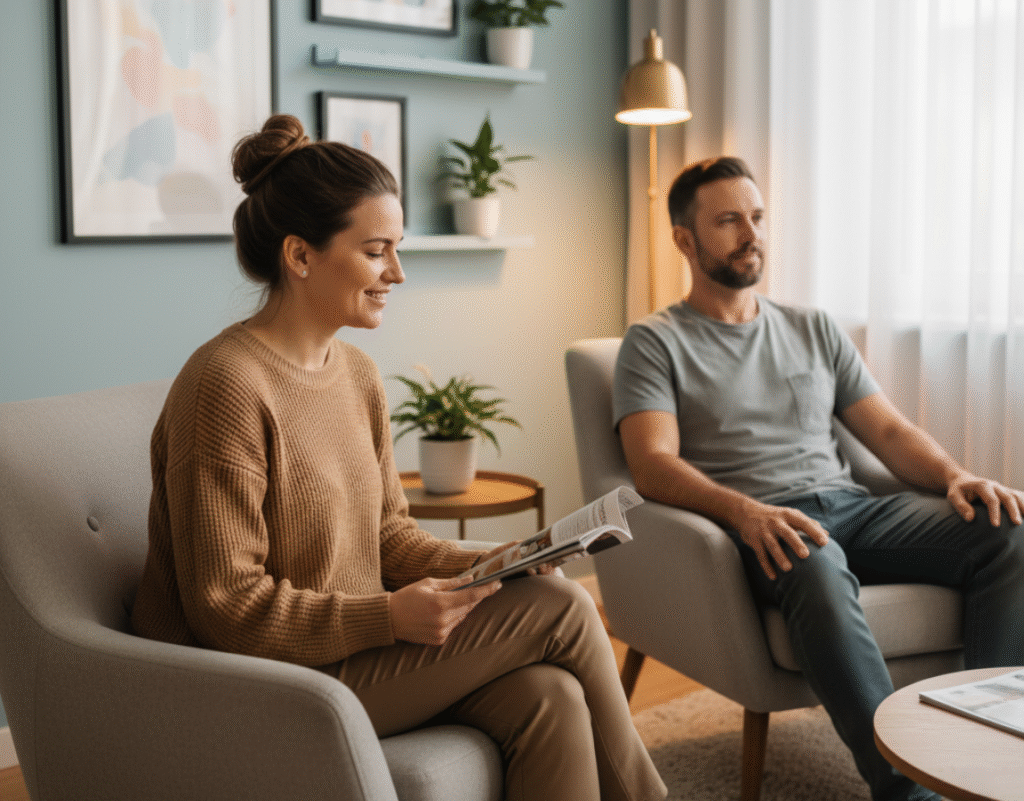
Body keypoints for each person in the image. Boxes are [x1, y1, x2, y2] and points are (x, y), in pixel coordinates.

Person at [131, 114, 666, 801]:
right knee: (562, 609)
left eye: (398, 248)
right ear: (300, 255)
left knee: (550, 696)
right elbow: (225, 608)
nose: (398, 273)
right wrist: (387, 617)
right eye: (377, 250)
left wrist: (500, 558)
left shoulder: (356, 374)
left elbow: (390, 537)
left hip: (347, 653)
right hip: (261, 680)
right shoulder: (225, 386)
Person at [613, 156, 1024, 801]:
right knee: (816, 560)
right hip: (763, 527)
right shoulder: (655, 342)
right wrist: (746, 513)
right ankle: (906, 789)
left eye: (756, 217)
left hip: (855, 509)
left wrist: (955, 476)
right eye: (727, 221)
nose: (752, 235)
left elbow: (885, 430)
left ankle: (989, 750)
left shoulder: (812, 326)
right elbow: (653, 465)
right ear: (684, 241)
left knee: (1007, 529)